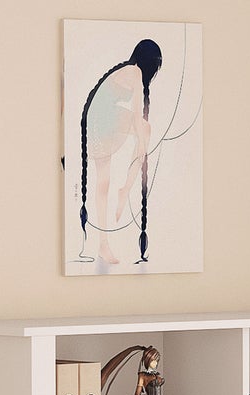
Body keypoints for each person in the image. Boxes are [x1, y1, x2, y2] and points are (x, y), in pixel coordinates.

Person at [77, 39, 163, 266]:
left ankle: (103, 242)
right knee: (145, 130)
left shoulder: (127, 70)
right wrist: (142, 143)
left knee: (102, 182)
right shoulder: (134, 73)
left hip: (95, 120)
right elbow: (136, 115)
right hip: (101, 120)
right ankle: (125, 189)